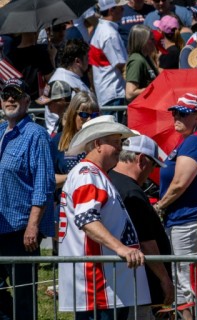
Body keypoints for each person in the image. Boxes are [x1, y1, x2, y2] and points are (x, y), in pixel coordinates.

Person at [58, 115, 150, 319]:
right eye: (116, 142)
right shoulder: (86, 173)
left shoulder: (94, 174)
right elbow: (87, 220)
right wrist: (122, 248)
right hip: (98, 287)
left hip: (107, 286)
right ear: (98, 143)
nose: (120, 148)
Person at [154, 93, 197, 320]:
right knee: (184, 280)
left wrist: (159, 206)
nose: (176, 117)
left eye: (183, 113)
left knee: (186, 282)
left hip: (187, 221)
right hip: (182, 220)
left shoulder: (195, 142)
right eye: (174, 112)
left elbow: (180, 183)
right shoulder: (188, 141)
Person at [0, 78, 55, 320]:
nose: (10, 99)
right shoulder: (1, 131)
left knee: (24, 294)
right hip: (1, 225)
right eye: (5, 95)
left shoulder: (36, 135)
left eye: (16, 95)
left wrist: (33, 225)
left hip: (22, 229)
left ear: (26, 100)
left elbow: (43, 184)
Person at [110, 135, 175, 319]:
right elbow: (146, 242)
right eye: (153, 165)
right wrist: (164, 279)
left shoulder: (109, 180)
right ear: (141, 160)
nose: (151, 172)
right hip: (138, 286)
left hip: (122, 283)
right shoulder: (132, 193)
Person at [90, 0, 128, 113]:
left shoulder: (101, 29)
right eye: (120, 8)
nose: (123, 10)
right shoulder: (110, 34)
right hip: (114, 93)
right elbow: (121, 65)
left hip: (107, 92)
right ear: (112, 10)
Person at [125, 25, 158, 102]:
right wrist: (153, 89)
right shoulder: (137, 60)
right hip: (141, 110)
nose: (155, 42)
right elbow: (130, 93)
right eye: (152, 39)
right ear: (143, 41)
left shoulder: (146, 58)